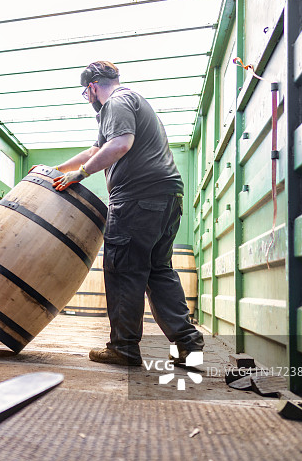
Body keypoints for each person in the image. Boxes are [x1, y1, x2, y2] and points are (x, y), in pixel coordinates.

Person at [51, 61, 204, 366]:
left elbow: (121, 145)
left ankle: (123, 347)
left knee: (123, 270)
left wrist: (80, 174)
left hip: (136, 201)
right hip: (167, 198)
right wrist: (58, 169)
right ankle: (189, 345)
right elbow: (96, 151)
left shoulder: (116, 103)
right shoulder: (133, 101)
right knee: (159, 271)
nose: (88, 99)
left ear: (92, 87)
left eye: (86, 93)